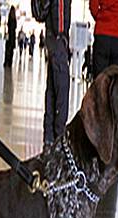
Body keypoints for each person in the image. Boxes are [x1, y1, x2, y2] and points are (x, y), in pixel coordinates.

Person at [43, 0, 72, 147]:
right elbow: (60, 6)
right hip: (57, 37)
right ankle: (59, 136)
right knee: (62, 88)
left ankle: (48, 136)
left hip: (50, 37)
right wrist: (62, 35)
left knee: (52, 89)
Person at [90, 0, 118, 77]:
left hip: (102, 33)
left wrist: (100, 17)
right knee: (116, 77)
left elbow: (93, 6)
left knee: (99, 76)